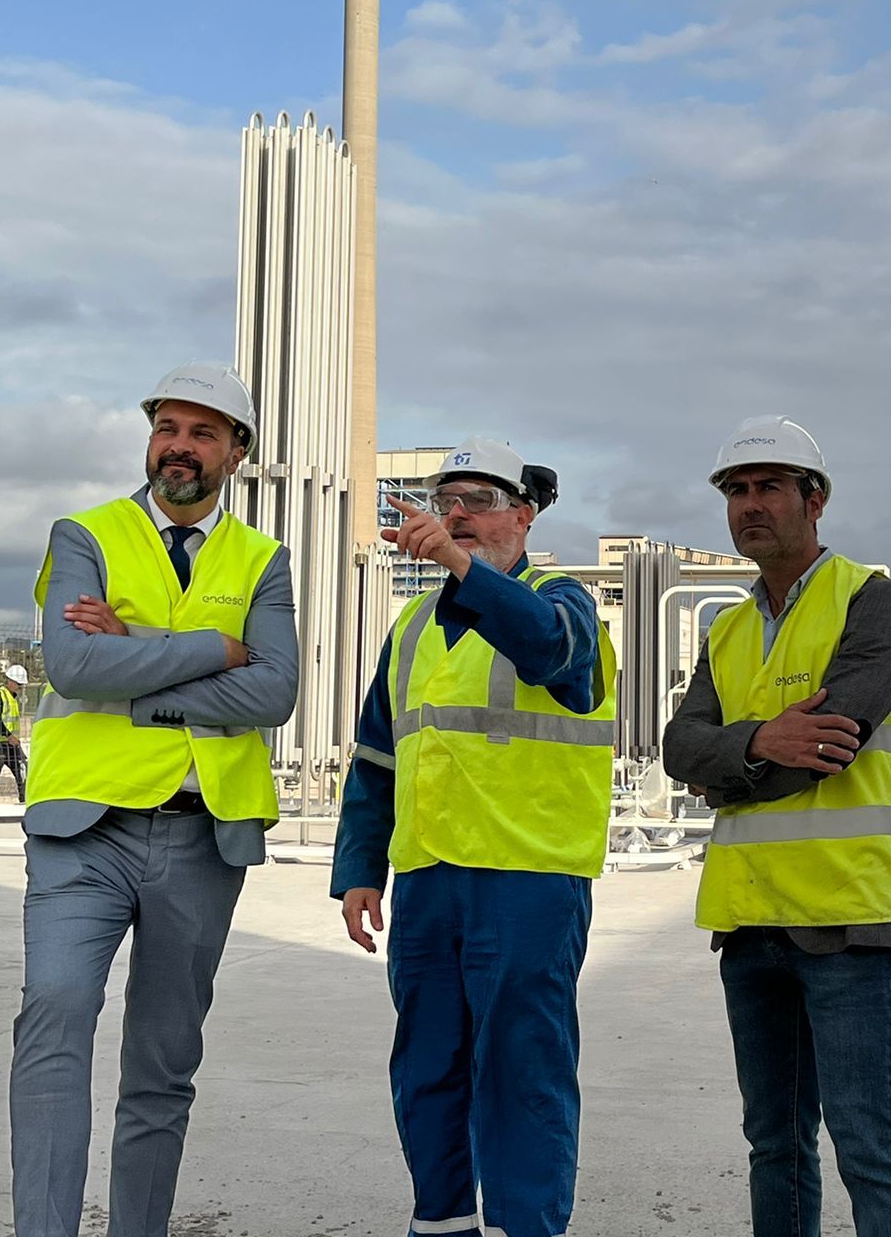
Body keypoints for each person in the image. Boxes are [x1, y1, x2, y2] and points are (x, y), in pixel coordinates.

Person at [10, 362, 299, 1237]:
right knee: (54, 1018)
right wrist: (216, 646)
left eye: (203, 432)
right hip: (81, 831)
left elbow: (274, 695)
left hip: (201, 837)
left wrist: (137, 651)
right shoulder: (85, 536)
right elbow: (75, 666)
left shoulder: (264, 562)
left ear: (237, 454)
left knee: (163, 1065)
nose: (179, 446)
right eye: (168, 428)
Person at [331, 437, 616, 1237]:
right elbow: (377, 758)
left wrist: (465, 574)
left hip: (528, 879)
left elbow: (555, 655)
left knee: (522, 1074)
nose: (456, 514)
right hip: (428, 882)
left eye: (479, 501)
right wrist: (360, 870)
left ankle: (527, 1228)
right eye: (445, 499)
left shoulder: (564, 601)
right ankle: (443, 1225)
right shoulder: (414, 627)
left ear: (522, 517)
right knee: (427, 1071)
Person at [662, 414, 891, 1237]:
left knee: (866, 1141)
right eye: (737, 491)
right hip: (751, 922)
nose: (750, 506)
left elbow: (834, 746)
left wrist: (729, 767)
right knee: (772, 1142)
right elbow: (677, 747)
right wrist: (760, 742)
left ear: (815, 500)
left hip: (851, 919)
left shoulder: (873, 605)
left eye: (769, 487)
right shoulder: (729, 627)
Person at [0, 663, 29, 804]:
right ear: (10, 681)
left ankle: (25, 800)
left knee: (23, 772)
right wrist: (8, 736)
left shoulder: (12, 698)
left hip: (12, 746)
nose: (19, 688)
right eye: (18, 684)